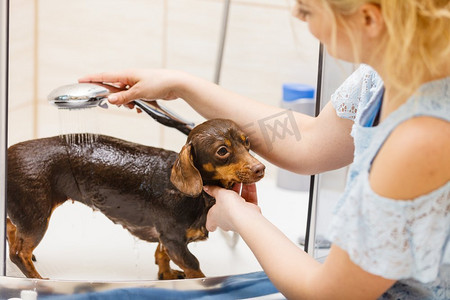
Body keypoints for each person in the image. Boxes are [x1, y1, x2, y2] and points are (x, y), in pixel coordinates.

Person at [79, 0, 450, 298]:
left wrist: (238, 215)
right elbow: (308, 138)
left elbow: (331, 294)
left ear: (368, 18)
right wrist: (183, 86)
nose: (296, 14)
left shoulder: (421, 137)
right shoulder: (379, 77)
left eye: (306, 9)